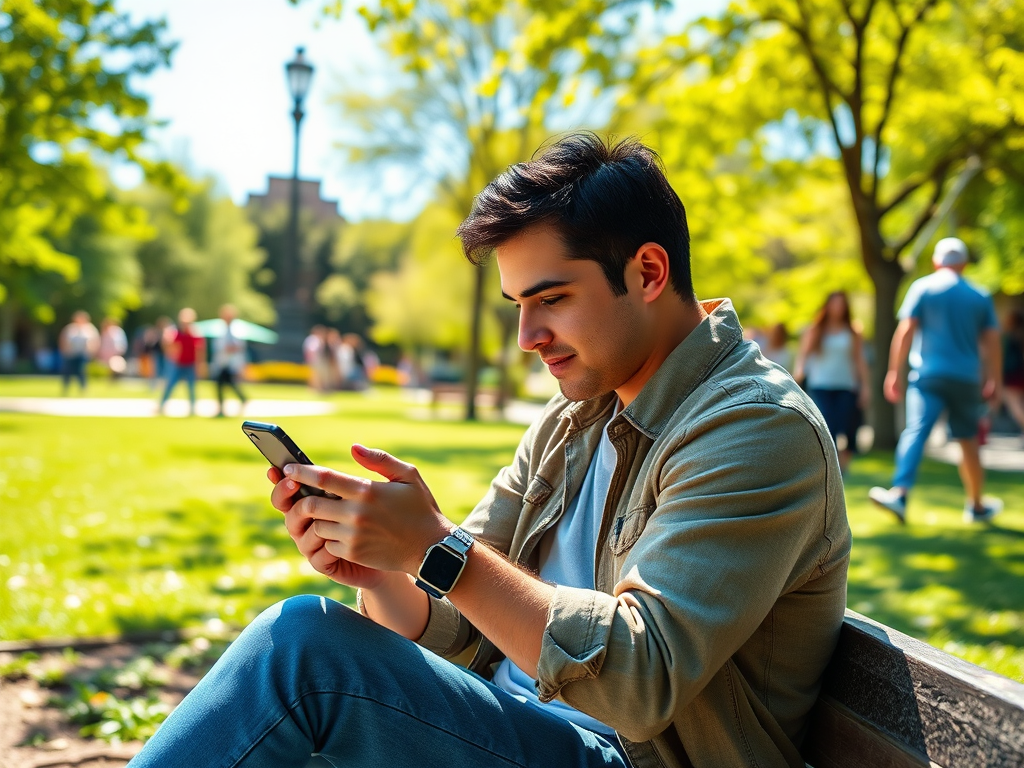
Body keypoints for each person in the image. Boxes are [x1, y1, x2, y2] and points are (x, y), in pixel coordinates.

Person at [128, 135, 851, 768]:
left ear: (649, 272)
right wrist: (383, 570)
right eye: (517, 307)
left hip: (622, 758)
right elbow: (463, 625)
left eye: (552, 299)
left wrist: (435, 546)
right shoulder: (574, 418)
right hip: (516, 731)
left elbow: (638, 683)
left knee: (302, 656)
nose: (526, 336)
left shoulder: (756, 430)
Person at [869, 237, 1003, 524]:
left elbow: (905, 332)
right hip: (967, 379)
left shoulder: (923, 287)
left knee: (915, 431)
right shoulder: (979, 295)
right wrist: (995, 380)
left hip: (928, 375)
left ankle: (900, 494)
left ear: (936, 261)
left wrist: (894, 372)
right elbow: (992, 341)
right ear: (964, 264)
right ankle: (977, 505)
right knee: (968, 441)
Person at [793, 291, 871, 474]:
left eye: (841, 304)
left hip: (846, 385)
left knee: (846, 425)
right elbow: (803, 357)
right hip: (821, 385)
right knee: (828, 425)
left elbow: (860, 359)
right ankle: (830, 468)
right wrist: (797, 378)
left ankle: (842, 467)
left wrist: (865, 386)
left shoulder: (853, 330)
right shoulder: (816, 329)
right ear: (827, 306)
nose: (837, 308)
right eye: (834, 304)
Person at [158, 308, 205, 416]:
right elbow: (169, 347)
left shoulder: (195, 333)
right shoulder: (176, 333)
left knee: (191, 387)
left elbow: (200, 350)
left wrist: (200, 365)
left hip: (190, 364)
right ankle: (161, 405)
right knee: (170, 385)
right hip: (178, 364)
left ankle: (193, 409)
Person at [209, 304, 249, 418]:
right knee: (224, 384)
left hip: (231, 363)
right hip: (222, 362)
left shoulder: (237, 329)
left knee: (224, 383)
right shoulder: (220, 328)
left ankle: (224, 407)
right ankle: (240, 400)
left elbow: (240, 346)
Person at [58, 311, 99, 395]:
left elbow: (95, 341)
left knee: (81, 371)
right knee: (67, 372)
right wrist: (63, 350)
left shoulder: (90, 329)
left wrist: (93, 352)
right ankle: (65, 389)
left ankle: (83, 389)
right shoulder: (70, 328)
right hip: (70, 354)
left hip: (83, 354)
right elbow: (62, 339)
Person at [1001, 309, 1024, 437]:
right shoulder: (1019, 336)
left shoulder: (1009, 337)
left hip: (1011, 376)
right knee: (1019, 405)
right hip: (1019, 375)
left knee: (1015, 406)